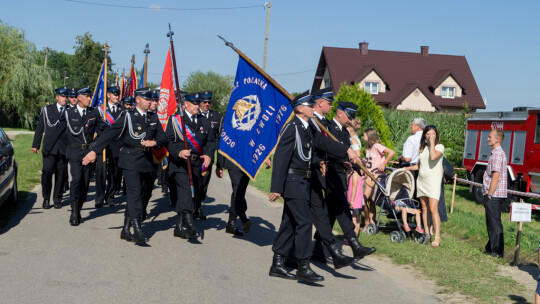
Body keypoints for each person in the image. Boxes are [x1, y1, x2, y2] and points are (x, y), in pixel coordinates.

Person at [82, 88, 168, 243]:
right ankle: (137, 227)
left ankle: (125, 228)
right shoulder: (127, 116)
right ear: (137, 100)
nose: (150, 102)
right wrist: (94, 150)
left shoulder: (153, 117)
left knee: (141, 193)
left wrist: (154, 142)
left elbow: (163, 138)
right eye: (146, 99)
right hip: (130, 161)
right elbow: (110, 133)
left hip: (147, 161)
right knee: (134, 193)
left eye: (151, 99)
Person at [311, 92, 376, 264]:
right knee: (342, 209)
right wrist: (345, 158)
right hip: (330, 174)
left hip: (340, 175)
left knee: (331, 213)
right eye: (349, 116)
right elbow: (329, 150)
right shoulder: (329, 127)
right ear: (339, 113)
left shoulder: (345, 133)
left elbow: (346, 155)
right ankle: (355, 244)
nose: (351, 120)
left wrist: (355, 166)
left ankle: (318, 248)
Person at [269, 92, 324, 282]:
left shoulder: (306, 128)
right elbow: (281, 159)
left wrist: (318, 162)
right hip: (293, 183)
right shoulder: (292, 127)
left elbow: (307, 154)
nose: (313, 108)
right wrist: (276, 187)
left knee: (290, 223)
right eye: (310, 105)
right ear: (300, 108)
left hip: (303, 182)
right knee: (305, 222)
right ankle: (303, 265)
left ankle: (277, 264)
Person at [166, 92, 215, 240]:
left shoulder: (205, 121)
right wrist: (178, 152)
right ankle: (190, 223)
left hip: (196, 164)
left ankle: (178, 227)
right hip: (180, 164)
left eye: (198, 103)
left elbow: (212, 141)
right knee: (186, 192)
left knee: (192, 194)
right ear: (185, 104)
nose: (197, 106)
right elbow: (169, 141)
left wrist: (208, 154)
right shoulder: (176, 120)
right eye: (194, 103)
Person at [57, 86, 108, 226]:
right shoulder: (68, 113)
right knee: (77, 179)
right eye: (87, 96)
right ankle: (74, 211)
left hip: (89, 152)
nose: (90, 99)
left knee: (85, 184)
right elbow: (58, 132)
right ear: (79, 97)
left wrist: (96, 149)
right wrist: (54, 150)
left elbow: (104, 131)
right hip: (74, 151)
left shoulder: (94, 112)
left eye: (90, 96)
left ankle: (79, 208)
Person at [404, 125, 444, 248]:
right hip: (421, 181)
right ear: (424, 135)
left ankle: (437, 236)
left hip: (433, 182)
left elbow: (433, 157)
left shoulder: (439, 147)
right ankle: (426, 234)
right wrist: (407, 168)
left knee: (433, 209)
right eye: (427, 134)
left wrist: (432, 142)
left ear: (436, 135)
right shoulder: (422, 148)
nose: (430, 136)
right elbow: (420, 165)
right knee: (425, 208)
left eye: (432, 134)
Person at [32, 87, 69, 209]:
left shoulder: (70, 111)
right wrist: (36, 144)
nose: (65, 99)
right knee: (47, 172)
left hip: (64, 148)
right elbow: (40, 127)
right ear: (57, 97)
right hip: (49, 147)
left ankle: (57, 198)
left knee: (61, 174)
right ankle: (46, 198)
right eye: (62, 96)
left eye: (66, 96)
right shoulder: (47, 110)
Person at [94, 86, 122, 208]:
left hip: (117, 145)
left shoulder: (123, 110)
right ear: (108, 95)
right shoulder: (99, 110)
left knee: (114, 172)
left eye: (118, 94)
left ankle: (110, 196)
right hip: (103, 146)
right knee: (100, 171)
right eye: (114, 94)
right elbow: (92, 127)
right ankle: (99, 197)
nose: (116, 96)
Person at [362, 128, 395, 231]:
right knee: (370, 201)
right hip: (368, 176)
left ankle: (367, 222)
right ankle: (372, 222)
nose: (363, 137)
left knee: (364, 199)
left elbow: (391, 152)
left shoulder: (377, 146)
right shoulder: (368, 148)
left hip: (376, 177)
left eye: (364, 135)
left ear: (370, 136)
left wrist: (383, 163)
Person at [482, 129, 507, 258]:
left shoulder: (497, 154)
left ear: (497, 139)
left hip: (494, 195)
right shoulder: (496, 153)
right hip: (495, 194)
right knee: (492, 223)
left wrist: (489, 195)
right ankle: (491, 248)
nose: (488, 138)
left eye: (490, 136)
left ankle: (496, 251)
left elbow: (495, 177)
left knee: (494, 224)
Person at [198, 90, 223, 217]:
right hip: (195, 155)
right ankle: (191, 207)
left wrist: (220, 164)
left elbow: (220, 140)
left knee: (204, 183)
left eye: (209, 102)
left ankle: (198, 205)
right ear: (199, 102)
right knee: (194, 182)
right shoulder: (195, 115)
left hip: (208, 156)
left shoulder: (217, 116)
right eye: (204, 102)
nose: (207, 104)